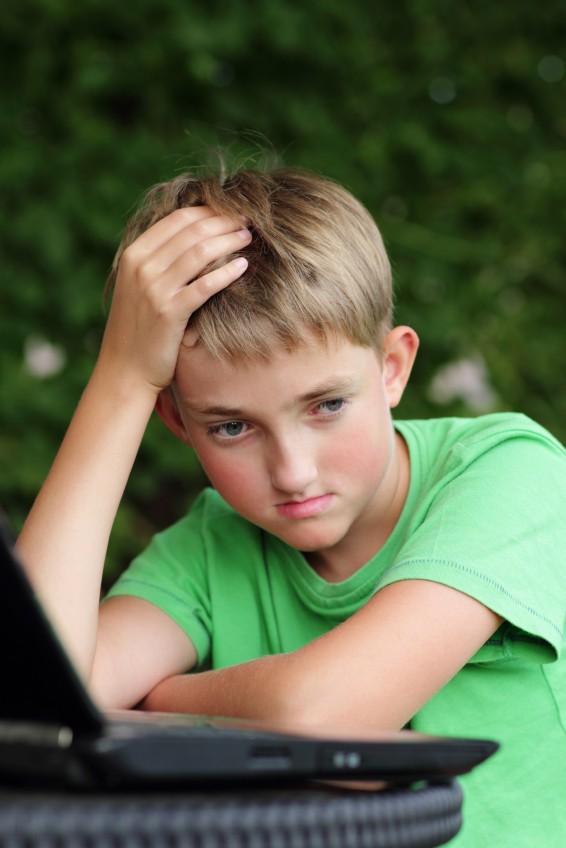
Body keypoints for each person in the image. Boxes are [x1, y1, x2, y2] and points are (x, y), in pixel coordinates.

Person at [18, 166, 566, 846]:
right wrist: (123, 378)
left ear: (392, 369)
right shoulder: (209, 547)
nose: (293, 471)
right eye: (231, 427)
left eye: (327, 405)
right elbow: (36, 701)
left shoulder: (510, 471)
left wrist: (162, 698)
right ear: (176, 422)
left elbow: (322, 713)